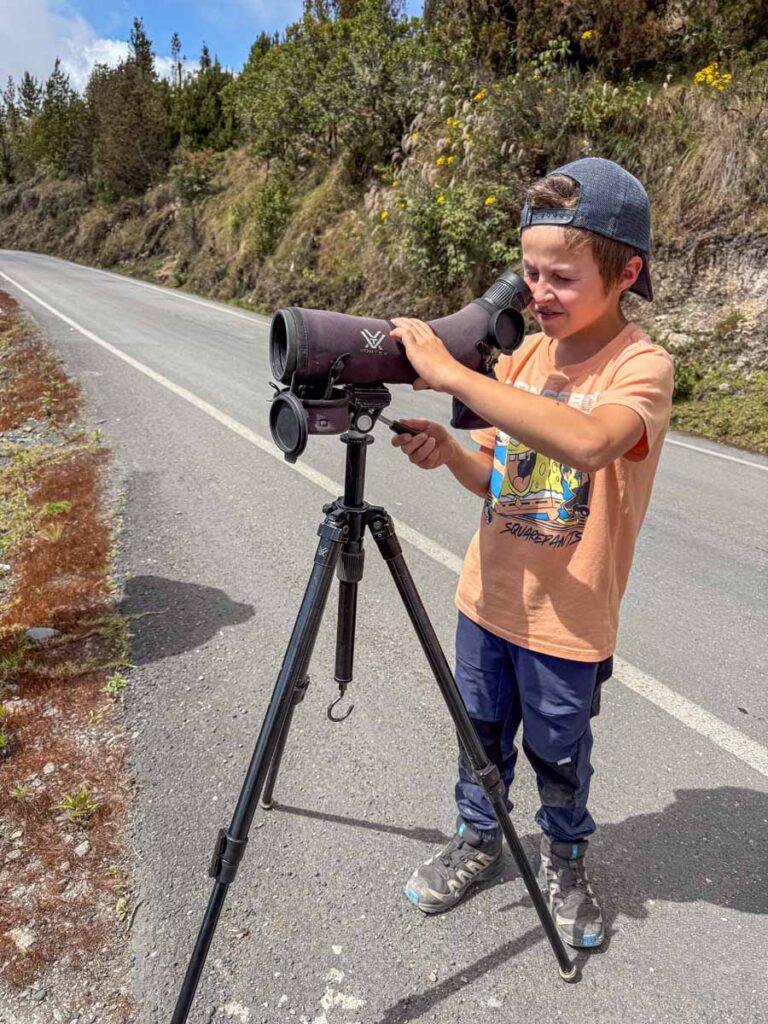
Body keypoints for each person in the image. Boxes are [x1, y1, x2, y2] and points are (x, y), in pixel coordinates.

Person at [388, 157, 674, 948]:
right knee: (478, 733)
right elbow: (502, 481)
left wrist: (452, 373)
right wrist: (452, 453)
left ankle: (565, 854)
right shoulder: (523, 361)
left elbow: (586, 444)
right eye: (527, 272)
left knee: (558, 748)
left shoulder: (641, 369)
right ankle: (479, 836)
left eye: (561, 277)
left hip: (568, 620)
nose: (538, 292)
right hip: (489, 600)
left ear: (626, 274)